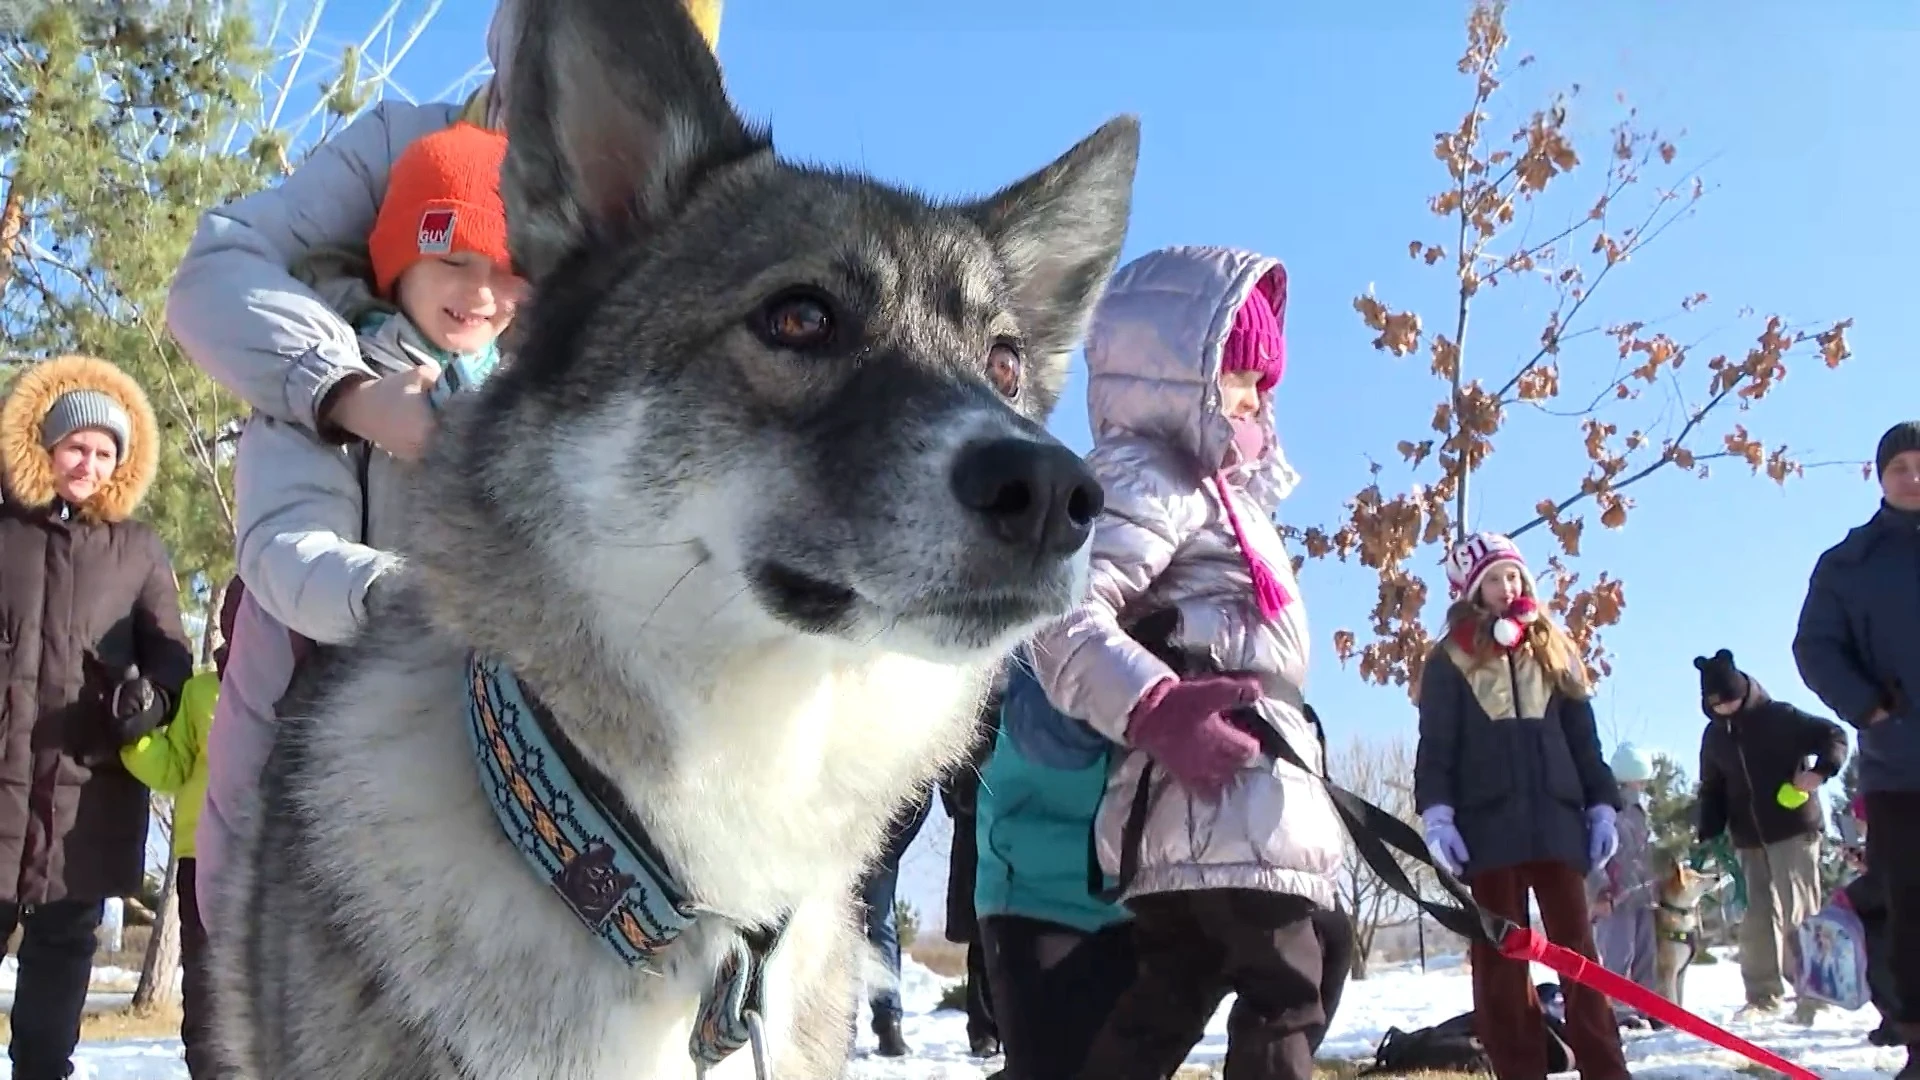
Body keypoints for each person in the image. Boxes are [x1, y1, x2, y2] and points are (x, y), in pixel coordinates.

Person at [196, 123, 523, 933]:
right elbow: (282, 547)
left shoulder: (532, 410)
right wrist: (396, 596)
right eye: (454, 259)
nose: (481, 292)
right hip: (303, 735)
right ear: (398, 259)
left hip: (448, 769)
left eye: (509, 271)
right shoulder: (332, 380)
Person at [1029, 246, 1344, 1080]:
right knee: (1288, 990)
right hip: (1215, 794)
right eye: (1238, 375)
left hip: (1229, 801)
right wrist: (1153, 706)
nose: (1255, 400)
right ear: (1177, 376)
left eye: (1264, 383)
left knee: (1171, 995)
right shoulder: (1151, 474)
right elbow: (1059, 612)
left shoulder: (1224, 497)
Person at [163, 0, 721, 453]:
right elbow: (216, 275)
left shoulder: (682, 245)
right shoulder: (399, 147)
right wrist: (352, 394)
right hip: (341, 534)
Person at [0, 355, 194, 1080]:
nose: (87, 462)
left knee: (55, 986)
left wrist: (151, 697)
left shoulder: (138, 550)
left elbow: (168, 651)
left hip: (86, 795)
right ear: (44, 448)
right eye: (74, 446)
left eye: (103, 451)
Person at [1414, 532, 1629, 1080]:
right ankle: (1519, 1069)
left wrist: (1601, 805)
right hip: (1489, 829)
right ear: (1471, 589)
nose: (1508, 587)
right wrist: (1438, 814)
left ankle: (1605, 1068)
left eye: (1515, 576)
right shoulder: (1451, 658)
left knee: (1577, 955)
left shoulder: (1554, 647)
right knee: (1500, 961)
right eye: (1494, 578)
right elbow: (1437, 745)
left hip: (1557, 824)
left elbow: (1585, 740)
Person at [1794, 420, 1920, 1078]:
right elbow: (1814, 647)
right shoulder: (1851, 563)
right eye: (1901, 466)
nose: (1914, 475)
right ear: (1881, 477)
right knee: (1910, 907)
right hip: (1902, 767)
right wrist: (1869, 707)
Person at [976, 647, 1138, 1080]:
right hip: (1034, 885)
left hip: (1139, 893)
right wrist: (1148, 701)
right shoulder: (1058, 609)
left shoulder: (1193, 607)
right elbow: (1044, 729)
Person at [119, 582, 237, 1080]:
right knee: (207, 1001)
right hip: (200, 861)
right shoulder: (200, 693)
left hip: (276, 866)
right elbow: (172, 769)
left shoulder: (301, 685)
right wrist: (133, 737)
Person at [1692, 647, 1848, 1020]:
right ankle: (1762, 997)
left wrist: (1821, 771)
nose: (1726, 710)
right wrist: (1708, 831)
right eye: (1718, 706)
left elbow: (1833, 735)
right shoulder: (1714, 737)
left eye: (1730, 702)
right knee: (1755, 917)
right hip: (1747, 838)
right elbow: (1712, 787)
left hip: (1794, 830)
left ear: (1743, 692)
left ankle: (1815, 997)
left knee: (1800, 911)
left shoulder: (1781, 717)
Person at [940, 690, 1001, 1059]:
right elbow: (949, 769)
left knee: (1004, 933)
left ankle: (998, 1030)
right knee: (983, 937)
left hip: (1011, 828)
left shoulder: (1020, 708)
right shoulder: (975, 707)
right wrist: (963, 797)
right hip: (976, 829)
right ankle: (983, 1031)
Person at [858, 791, 932, 1057]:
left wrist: (886, 854)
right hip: (836, 850)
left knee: (881, 927)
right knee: (839, 932)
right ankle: (839, 1023)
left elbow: (919, 800)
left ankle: (888, 1024)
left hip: (880, 852)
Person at [1590, 743, 1658, 1007]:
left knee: (1645, 956)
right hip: (1616, 897)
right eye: (1639, 780)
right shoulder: (1606, 811)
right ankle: (1619, 1012)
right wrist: (1601, 891)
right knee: (1619, 955)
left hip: (1643, 894)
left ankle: (1650, 1008)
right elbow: (1597, 856)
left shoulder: (1640, 813)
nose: (1642, 786)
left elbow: (1643, 854)